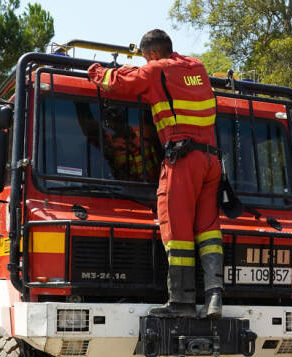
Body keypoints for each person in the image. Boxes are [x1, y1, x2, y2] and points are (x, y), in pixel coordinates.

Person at [86, 29, 223, 318]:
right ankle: (214, 298)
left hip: (183, 161)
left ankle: (182, 303)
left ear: (151, 54)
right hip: (212, 161)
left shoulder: (155, 70)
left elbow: (117, 83)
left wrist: (95, 70)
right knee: (209, 231)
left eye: (145, 58)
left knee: (177, 229)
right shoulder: (197, 67)